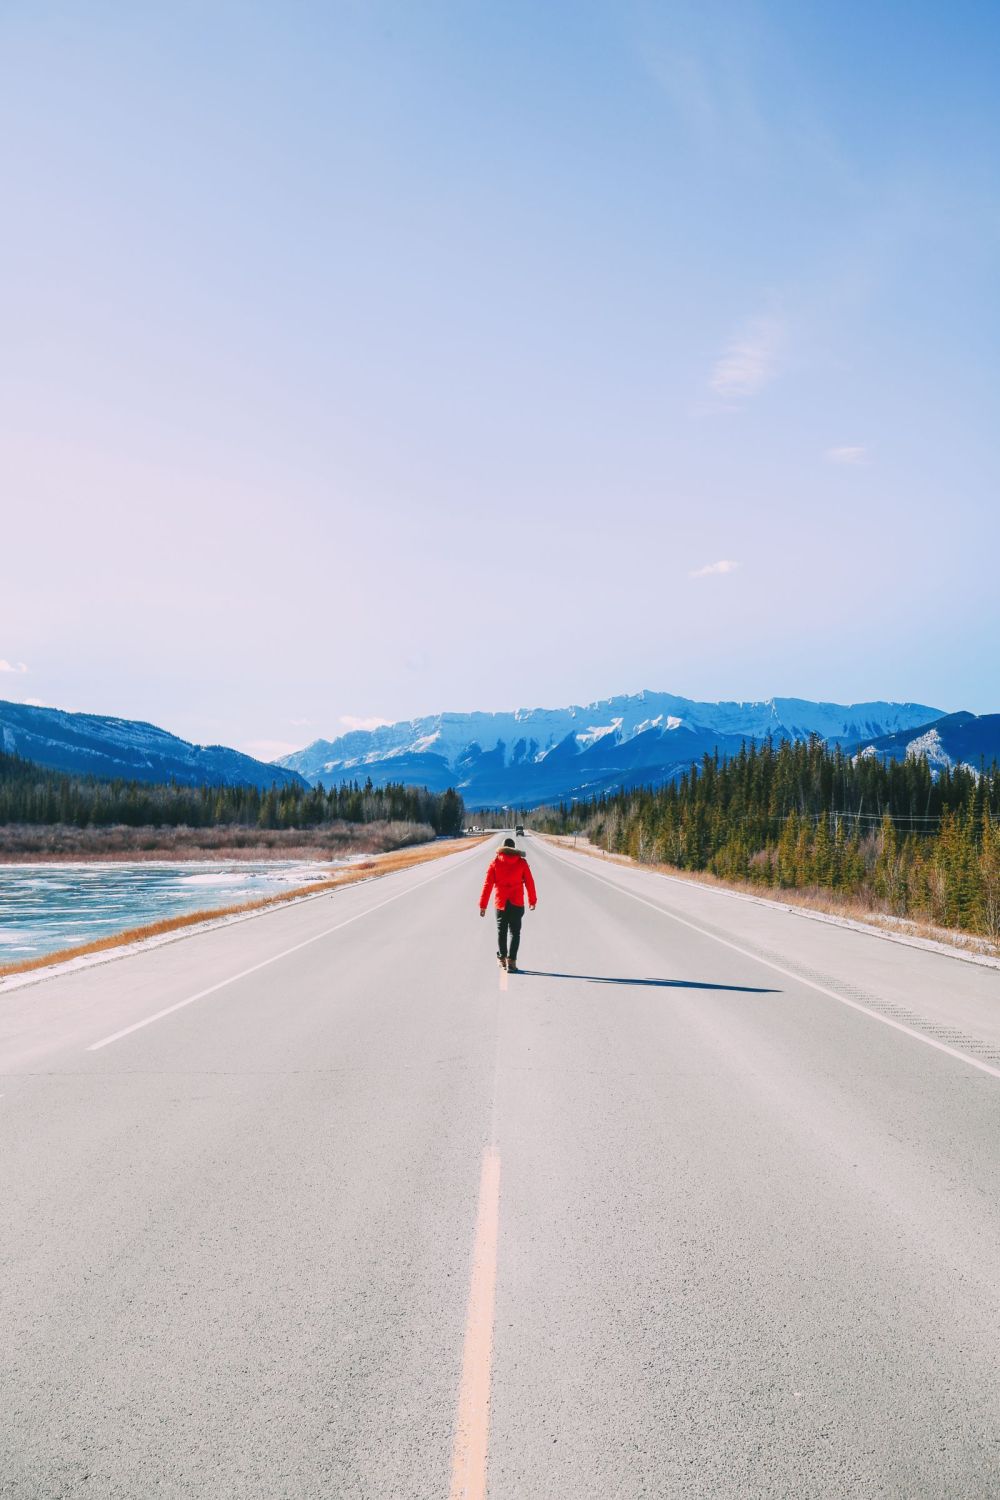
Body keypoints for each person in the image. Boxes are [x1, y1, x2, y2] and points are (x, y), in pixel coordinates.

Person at [479, 836, 537, 973]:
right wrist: (532, 901)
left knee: (502, 931)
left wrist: (483, 905)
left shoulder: (495, 862)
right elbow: (530, 882)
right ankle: (512, 962)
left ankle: (502, 959)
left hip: (501, 903)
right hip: (517, 902)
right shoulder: (522, 863)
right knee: (515, 933)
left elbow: (488, 885)